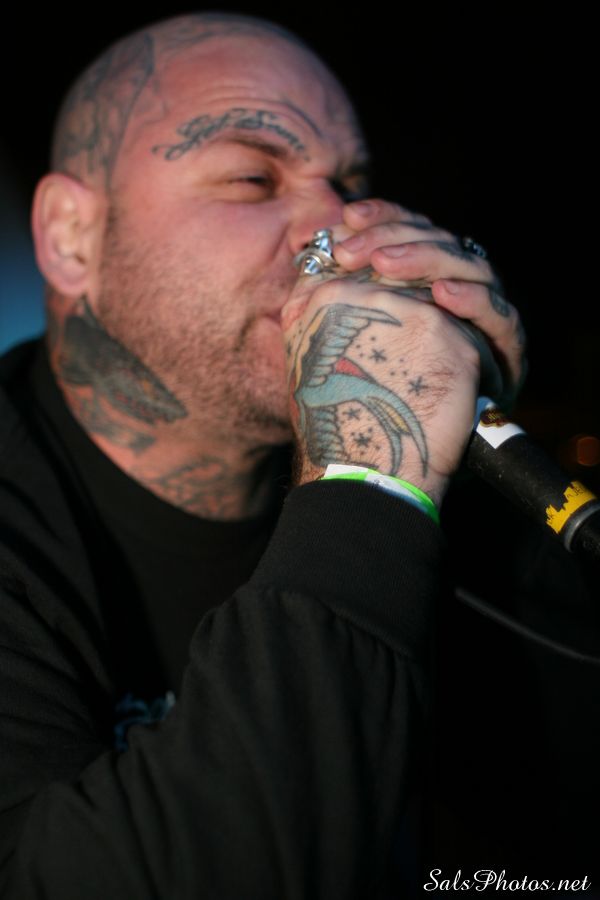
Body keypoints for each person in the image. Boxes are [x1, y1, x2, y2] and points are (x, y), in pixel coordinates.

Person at [0, 11, 530, 898]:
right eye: (253, 178)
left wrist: (487, 482)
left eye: (351, 183)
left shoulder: (435, 505)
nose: (339, 229)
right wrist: (370, 482)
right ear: (69, 237)